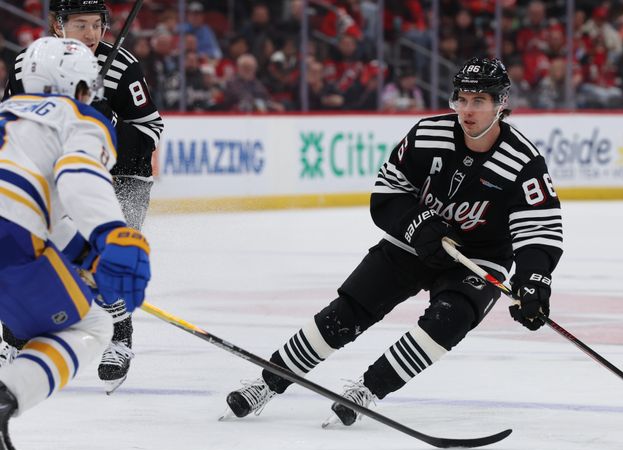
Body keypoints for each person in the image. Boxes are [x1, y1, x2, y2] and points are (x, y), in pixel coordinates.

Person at [222, 57, 564, 426]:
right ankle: (268, 382)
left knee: (451, 319)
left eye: (478, 101)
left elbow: (539, 228)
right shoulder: (427, 135)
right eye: (462, 99)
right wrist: (418, 223)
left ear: (501, 104)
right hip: (414, 241)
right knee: (347, 311)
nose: (467, 110)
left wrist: (534, 281)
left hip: (480, 256)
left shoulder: (523, 161)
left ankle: (368, 389)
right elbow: (387, 193)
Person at [0, 36, 152, 450]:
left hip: (16, 225)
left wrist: (86, 256)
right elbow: (77, 175)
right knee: (94, 322)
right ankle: (7, 394)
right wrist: (112, 236)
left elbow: (37, 202)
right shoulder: (80, 117)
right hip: (9, 237)